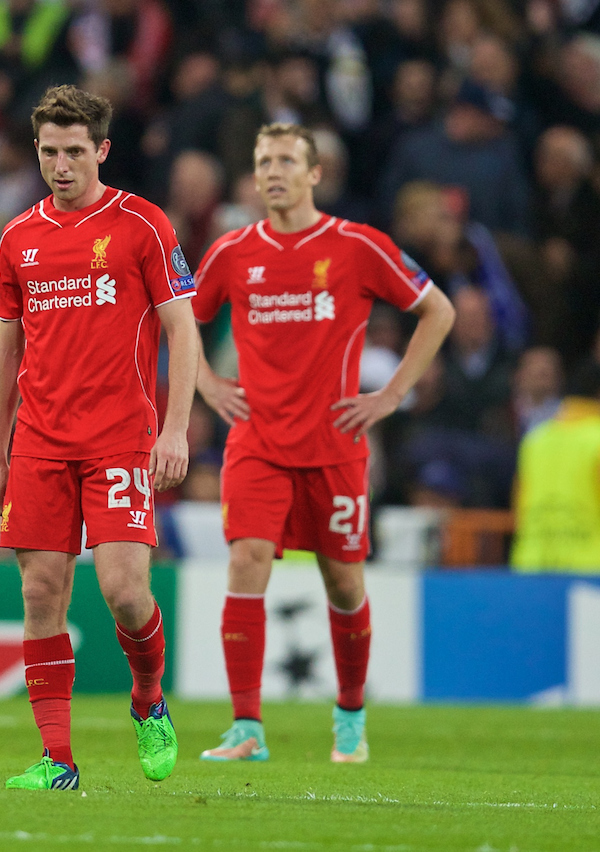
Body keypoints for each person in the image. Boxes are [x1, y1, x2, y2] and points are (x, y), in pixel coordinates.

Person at [192, 122, 455, 763]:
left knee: (343, 581)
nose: (274, 171)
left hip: (334, 446)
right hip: (256, 442)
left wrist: (391, 395)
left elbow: (438, 310)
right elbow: (178, 320)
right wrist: (204, 383)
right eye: (264, 161)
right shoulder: (231, 252)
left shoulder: (357, 246)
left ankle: (351, 716)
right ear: (254, 176)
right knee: (247, 558)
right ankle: (247, 727)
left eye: (287, 160)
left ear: (315, 174)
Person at [0, 85, 200, 791]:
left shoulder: (142, 224)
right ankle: (58, 762)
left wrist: (175, 429)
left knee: (124, 592)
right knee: (41, 591)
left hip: (119, 439)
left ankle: (148, 698)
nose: (61, 166)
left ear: (102, 150)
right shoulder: (18, 237)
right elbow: (6, 349)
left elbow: (181, 330)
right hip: (40, 443)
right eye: (49, 152)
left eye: (75, 152)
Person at [510, 364, 600, 573]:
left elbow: (519, 504)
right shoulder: (596, 438)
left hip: (532, 567)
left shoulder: (535, 438)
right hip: (590, 573)